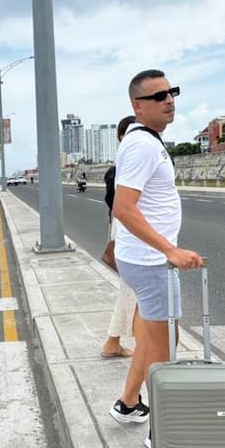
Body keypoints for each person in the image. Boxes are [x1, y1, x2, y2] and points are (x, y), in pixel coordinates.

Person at [109, 70, 203, 446]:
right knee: (166, 344)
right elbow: (123, 208)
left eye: (172, 92)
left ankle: (128, 403)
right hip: (150, 260)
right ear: (137, 106)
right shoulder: (141, 146)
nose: (169, 100)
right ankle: (163, 434)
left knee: (153, 334)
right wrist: (170, 249)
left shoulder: (146, 139)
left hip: (146, 258)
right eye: (158, 96)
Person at [101, 116, 138, 358]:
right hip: (130, 232)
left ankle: (115, 341)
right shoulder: (122, 170)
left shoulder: (122, 168)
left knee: (133, 289)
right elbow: (121, 207)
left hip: (126, 230)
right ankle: (113, 342)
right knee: (132, 289)